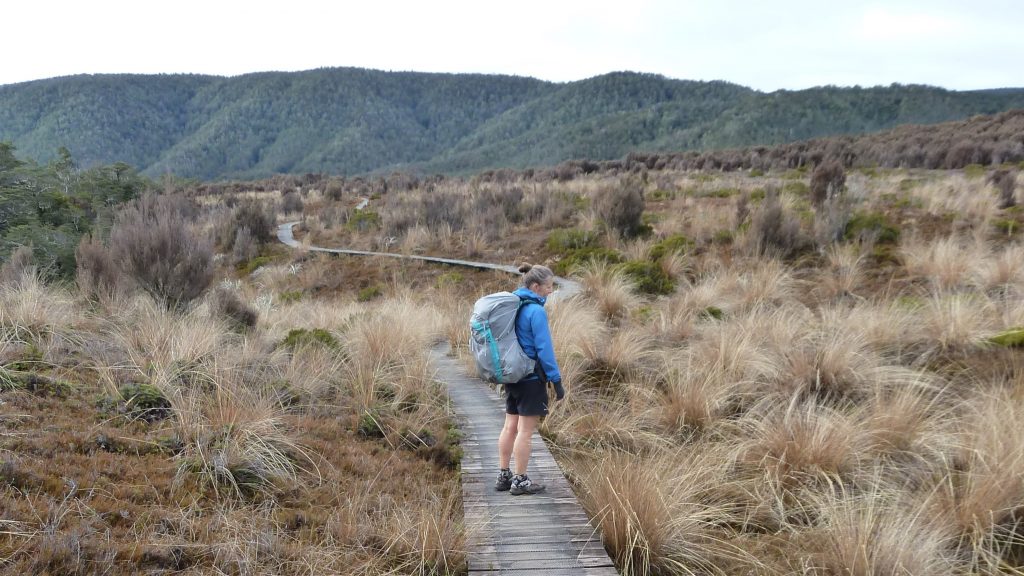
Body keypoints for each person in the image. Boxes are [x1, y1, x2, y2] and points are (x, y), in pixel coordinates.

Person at [495, 263, 565, 496]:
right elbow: (544, 349)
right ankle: (521, 481)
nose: (551, 291)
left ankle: (504, 475)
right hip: (531, 377)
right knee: (525, 431)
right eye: (548, 286)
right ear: (535, 286)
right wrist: (556, 380)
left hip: (512, 375)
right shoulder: (535, 311)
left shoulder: (513, 304)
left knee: (509, 426)